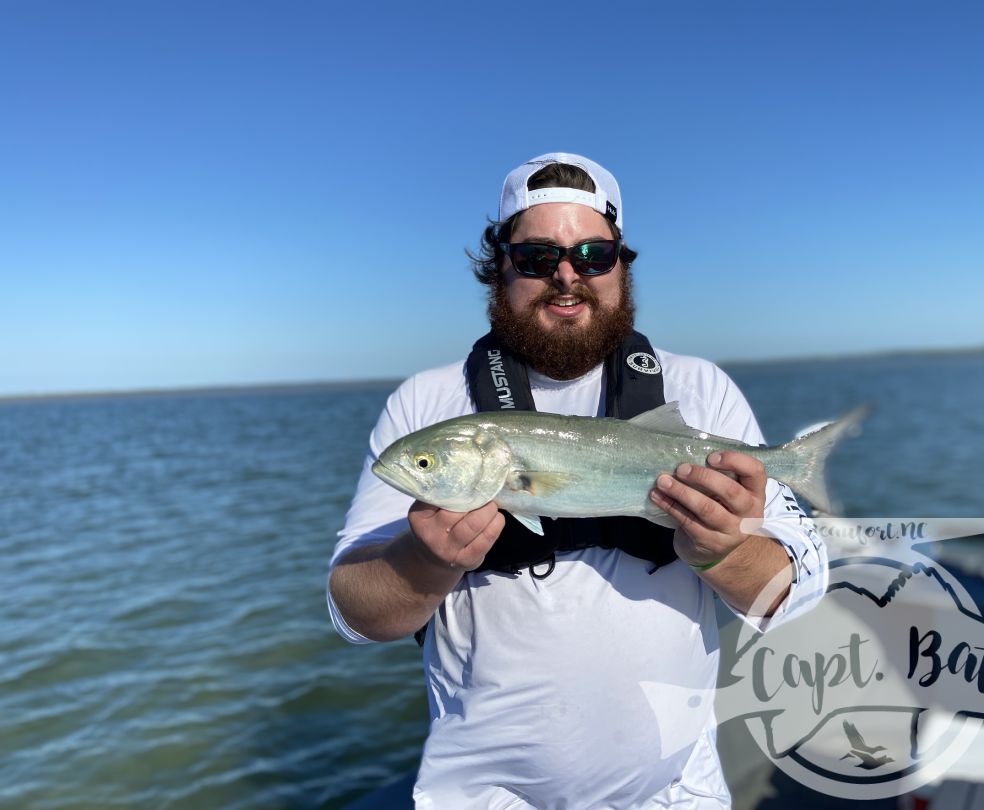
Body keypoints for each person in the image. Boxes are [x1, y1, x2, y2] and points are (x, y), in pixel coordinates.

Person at [327, 152, 827, 809]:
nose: (567, 276)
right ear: (499, 267)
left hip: (675, 795)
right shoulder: (428, 403)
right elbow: (354, 613)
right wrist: (421, 559)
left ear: (621, 264)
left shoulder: (702, 392)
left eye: (593, 254)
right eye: (536, 257)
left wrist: (725, 550)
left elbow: (791, 599)